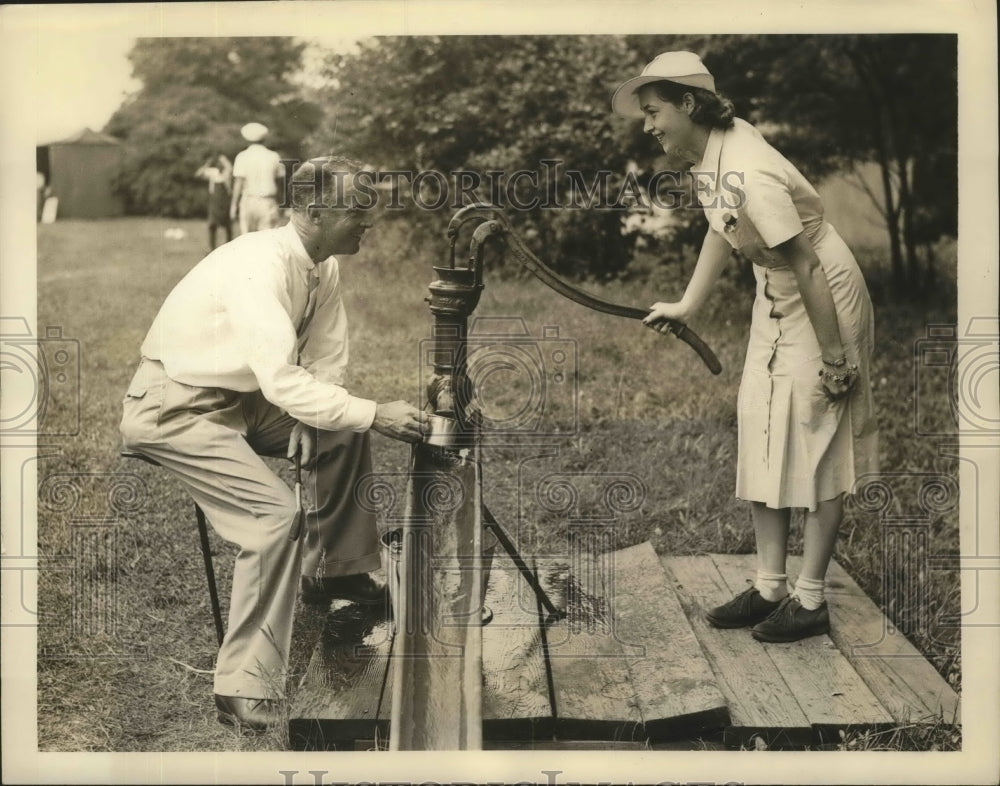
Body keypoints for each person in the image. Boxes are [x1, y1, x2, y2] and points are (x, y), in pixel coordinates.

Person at [120, 156, 428, 730]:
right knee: (273, 518)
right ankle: (241, 686)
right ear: (314, 211)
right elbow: (283, 380)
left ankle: (338, 574)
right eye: (357, 210)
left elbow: (327, 359)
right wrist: (373, 412)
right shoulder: (259, 266)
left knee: (339, 424)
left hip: (239, 396)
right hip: (174, 406)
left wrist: (319, 421)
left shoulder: (321, 263)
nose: (370, 221)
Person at [612, 52, 878, 643]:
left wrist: (836, 359)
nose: (648, 126)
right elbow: (720, 227)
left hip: (822, 295)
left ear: (688, 103)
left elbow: (807, 264)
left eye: (653, 112)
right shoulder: (713, 154)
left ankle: (811, 601)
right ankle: (769, 588)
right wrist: (687, 304)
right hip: (777, 292)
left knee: (818, 435)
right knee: (762, 422)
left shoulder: (750, 168)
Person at [230, 122, 285, 235]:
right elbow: (281, 183)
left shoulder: (242, 156)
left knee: (247, 239)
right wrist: (282, 203)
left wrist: (233, 205)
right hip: (267, 201)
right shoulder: (274, 156)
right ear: (264, 138)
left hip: (248, 201)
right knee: (268, 240)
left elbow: (238, 183)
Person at [195, 153, 233, 250]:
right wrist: (207, 164)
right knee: (212, 224)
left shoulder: (227, 173)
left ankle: (229, 246)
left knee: (227, 225)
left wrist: (224, 160)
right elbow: (198, 174)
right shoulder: (213, 172)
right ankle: (211, 247)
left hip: (224, 202)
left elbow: (230, 168)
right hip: (215, 202)